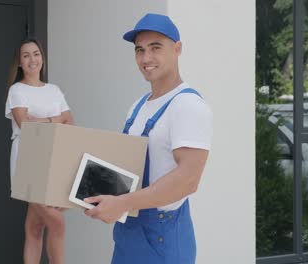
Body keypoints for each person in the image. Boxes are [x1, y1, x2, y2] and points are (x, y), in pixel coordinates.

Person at [84, 13, 213, 263]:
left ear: (177, 49)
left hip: (161, 238)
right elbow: (125, 169)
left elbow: (188, 180)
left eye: (155, 48)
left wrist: (122, 203)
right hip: (128, 233)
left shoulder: (188, 106)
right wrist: (76, 193)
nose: (146, 58)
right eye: (139, 50)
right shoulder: (138, 106)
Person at [5, 38, 73, 264]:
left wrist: (43, 121)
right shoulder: (17, 90)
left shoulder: (54, 90)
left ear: (42, 58)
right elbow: (25, 124)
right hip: (27, 159)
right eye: (26, 55)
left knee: (35, 227)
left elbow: (70, 124)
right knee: (57, 222)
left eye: (36, 54)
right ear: (20, 63)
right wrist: (56, 120)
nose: (32, 59)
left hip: (52, 158)